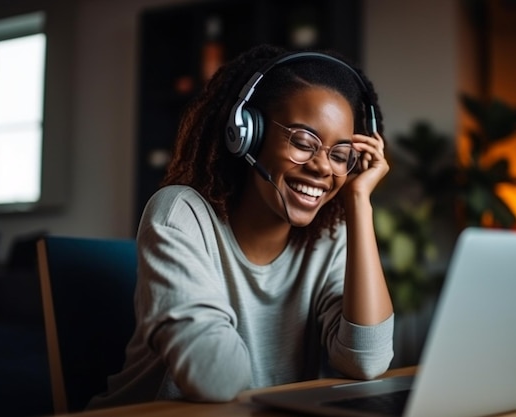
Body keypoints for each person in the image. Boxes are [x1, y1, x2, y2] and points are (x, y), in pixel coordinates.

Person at [88, 43, 394, 408]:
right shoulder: (180, 214)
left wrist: (358, 202)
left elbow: (367, 360)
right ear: (246, 133)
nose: (324, 168)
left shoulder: (329, 237)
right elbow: (216, 380)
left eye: (340, 154)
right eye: (302, 141)